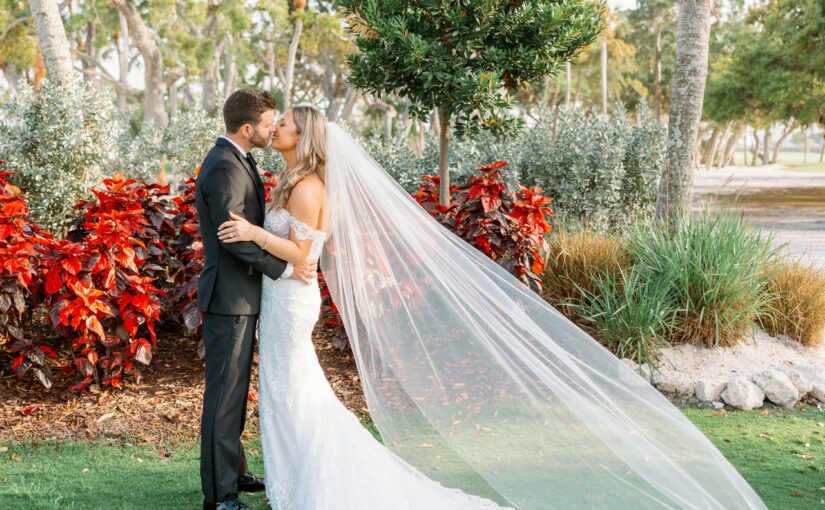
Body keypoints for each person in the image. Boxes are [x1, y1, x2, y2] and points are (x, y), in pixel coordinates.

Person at [217, 105, 768, 510]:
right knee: (288, 391)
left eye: (284, 122)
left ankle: (319, 483)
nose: (276, 127)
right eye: (275, 122)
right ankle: (290, 478)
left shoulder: (311, 187)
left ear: (303, 136)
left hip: (293, 301)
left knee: (296, 389)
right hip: (281, 298)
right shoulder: (288, 179)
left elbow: (305, 256)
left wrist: (251, 233)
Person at [195, 89, 315, 510]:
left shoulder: (238, 160)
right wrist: (284, 269)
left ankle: (235, 471)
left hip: (243, 298)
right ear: (248, 129)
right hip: (230, 298)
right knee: (224, 398)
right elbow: (233, 240)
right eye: (268, 124)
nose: (272, 129)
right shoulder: (225, 168)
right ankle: (220, 496)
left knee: (233, 393)